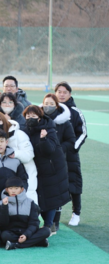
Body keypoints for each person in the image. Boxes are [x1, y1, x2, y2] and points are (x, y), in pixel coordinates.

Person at [23, 105, 70, 234]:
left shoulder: (48, 129)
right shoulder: (24, 130)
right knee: (39, 196)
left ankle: (49, 225)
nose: (30, 118)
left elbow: (50, 150)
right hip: (35, 168)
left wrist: (43, 139)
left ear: (40, 117)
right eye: (28, 116)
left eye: (33, 116)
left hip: (51, 169)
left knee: (50, 197)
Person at [0, 112, 37, 204]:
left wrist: (15, 154)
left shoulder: (19, 134)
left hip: (25, 173)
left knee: (27, 204)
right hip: (3, 178)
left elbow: (29, 154)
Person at [54, 82, 87, 226]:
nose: (62, 94)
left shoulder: (75, 111)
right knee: (55, 184)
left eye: (65, 92)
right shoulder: (51, 109)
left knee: (74, 184)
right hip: (54, 155)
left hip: (70, 155)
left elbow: (83, 132)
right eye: (59, 92)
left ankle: (76, 213)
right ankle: (56, 213)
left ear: (69, 94)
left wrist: (73, 148)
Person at [0, 177, 51, 250]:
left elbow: (34, 223)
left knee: (46, 231)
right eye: (10, 188)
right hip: (11, 233)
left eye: (16, 188)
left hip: (27, 232)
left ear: (22, 189)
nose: (13, 191)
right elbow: (2, 224)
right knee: (4, 235)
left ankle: (16, 245)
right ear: (7, 190)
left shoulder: (30, 202)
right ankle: (37, 242)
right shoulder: (1, 203)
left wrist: (26, 235)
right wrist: (4, 207)